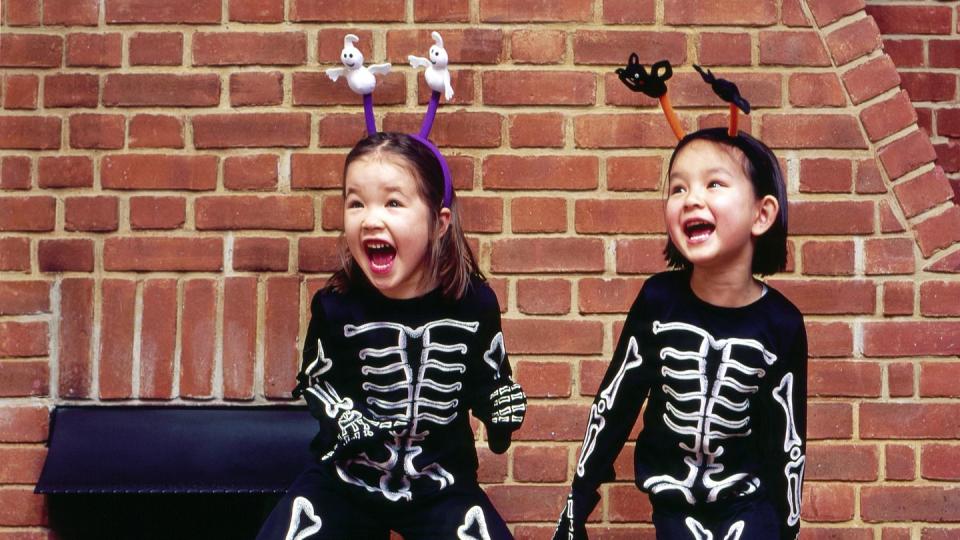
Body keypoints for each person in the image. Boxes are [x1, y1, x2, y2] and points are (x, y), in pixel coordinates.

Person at [256, 131, 526, 540]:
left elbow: (490, 388)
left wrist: (502, 414)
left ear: (439, 222)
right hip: (345, 482)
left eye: (393, 203)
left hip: (441, 487)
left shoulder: (475, 306)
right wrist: (343, 416)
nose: (370, 219)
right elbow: (316, 382)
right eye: (355, 203)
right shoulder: (335, 307)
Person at [553, 127, 807, 540]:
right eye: (678, 187)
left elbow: (788, 436)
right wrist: (576, 504)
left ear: (762, 214)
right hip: (675, 504)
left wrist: (789, 524)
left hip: (750, 506)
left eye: (714, 183)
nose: (692, 198)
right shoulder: (658, 303)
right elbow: (615, 403)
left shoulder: (782, 324)